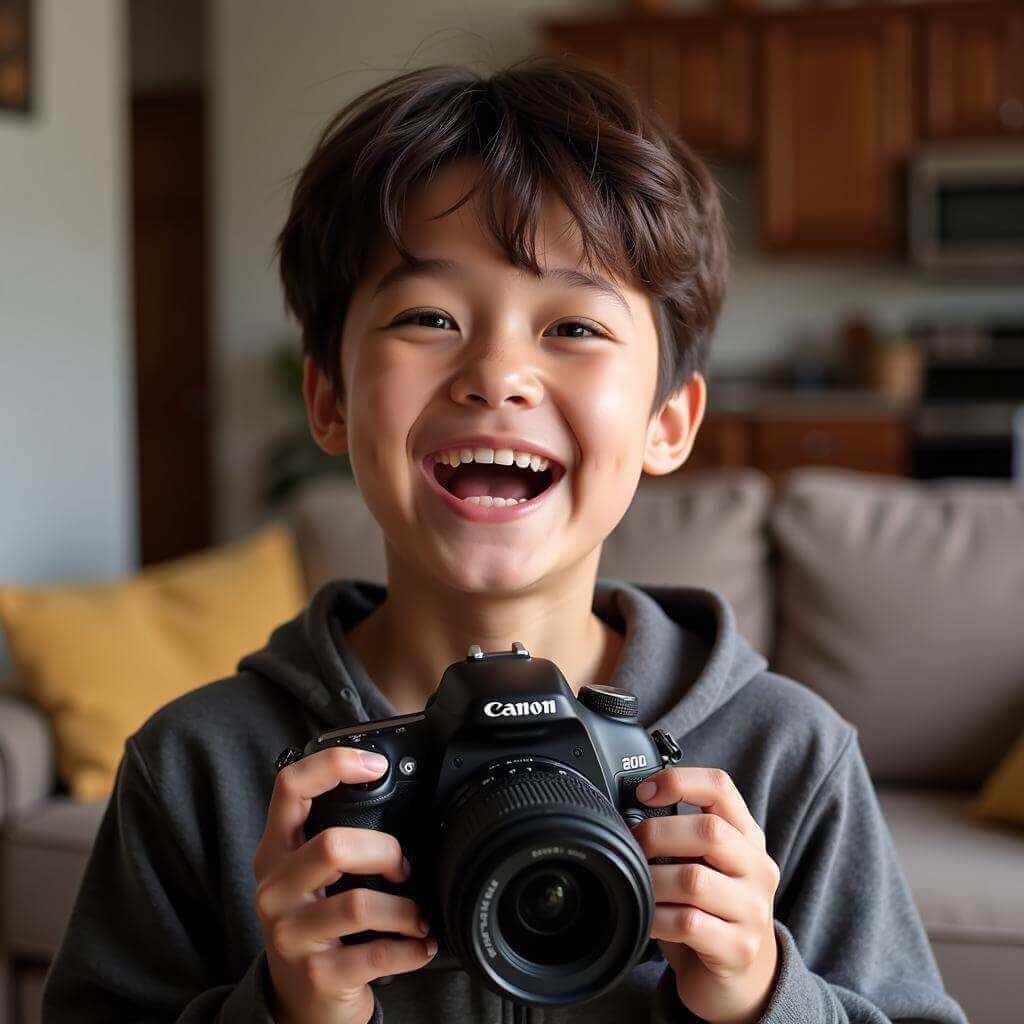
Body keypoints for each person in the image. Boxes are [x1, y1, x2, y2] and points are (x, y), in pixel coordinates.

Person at [41, 57, 969, 1024]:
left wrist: (763, 1000)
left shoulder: (783, 756)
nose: (497, 375)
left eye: (573, 325)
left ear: (670, 421)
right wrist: (284, 1010)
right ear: (328, 398)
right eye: (428, 317)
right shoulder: (201, 767)